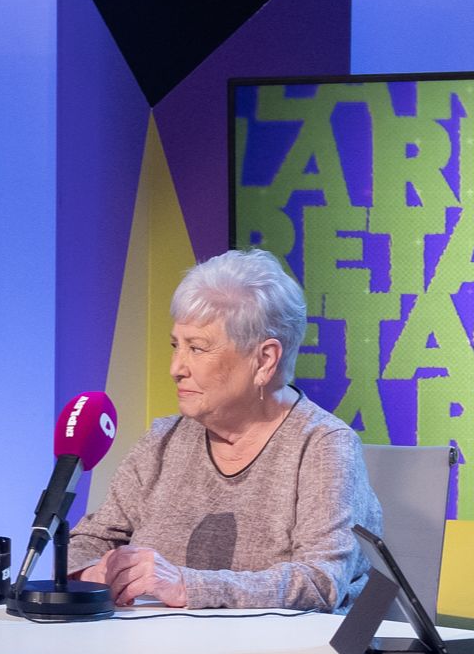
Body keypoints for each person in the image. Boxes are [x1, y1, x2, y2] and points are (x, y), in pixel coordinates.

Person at [69, 249, 380, 611]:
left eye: (197, 348)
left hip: (275, 646)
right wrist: (96, 572)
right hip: (156, 643)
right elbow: (86, 543)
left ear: (264, 359)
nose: (176, 368)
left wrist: (188, 586)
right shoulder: (162, 441)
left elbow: (320, 582)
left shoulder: (323, 445)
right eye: (176, 346)